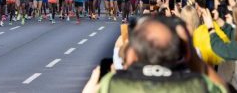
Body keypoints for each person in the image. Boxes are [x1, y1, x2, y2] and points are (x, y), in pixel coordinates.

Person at [87, 16, 227, 93]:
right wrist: (192, 54)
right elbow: (224, 90)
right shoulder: (199, 85)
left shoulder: (111, 84)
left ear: (133, 54)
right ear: (183, 53)